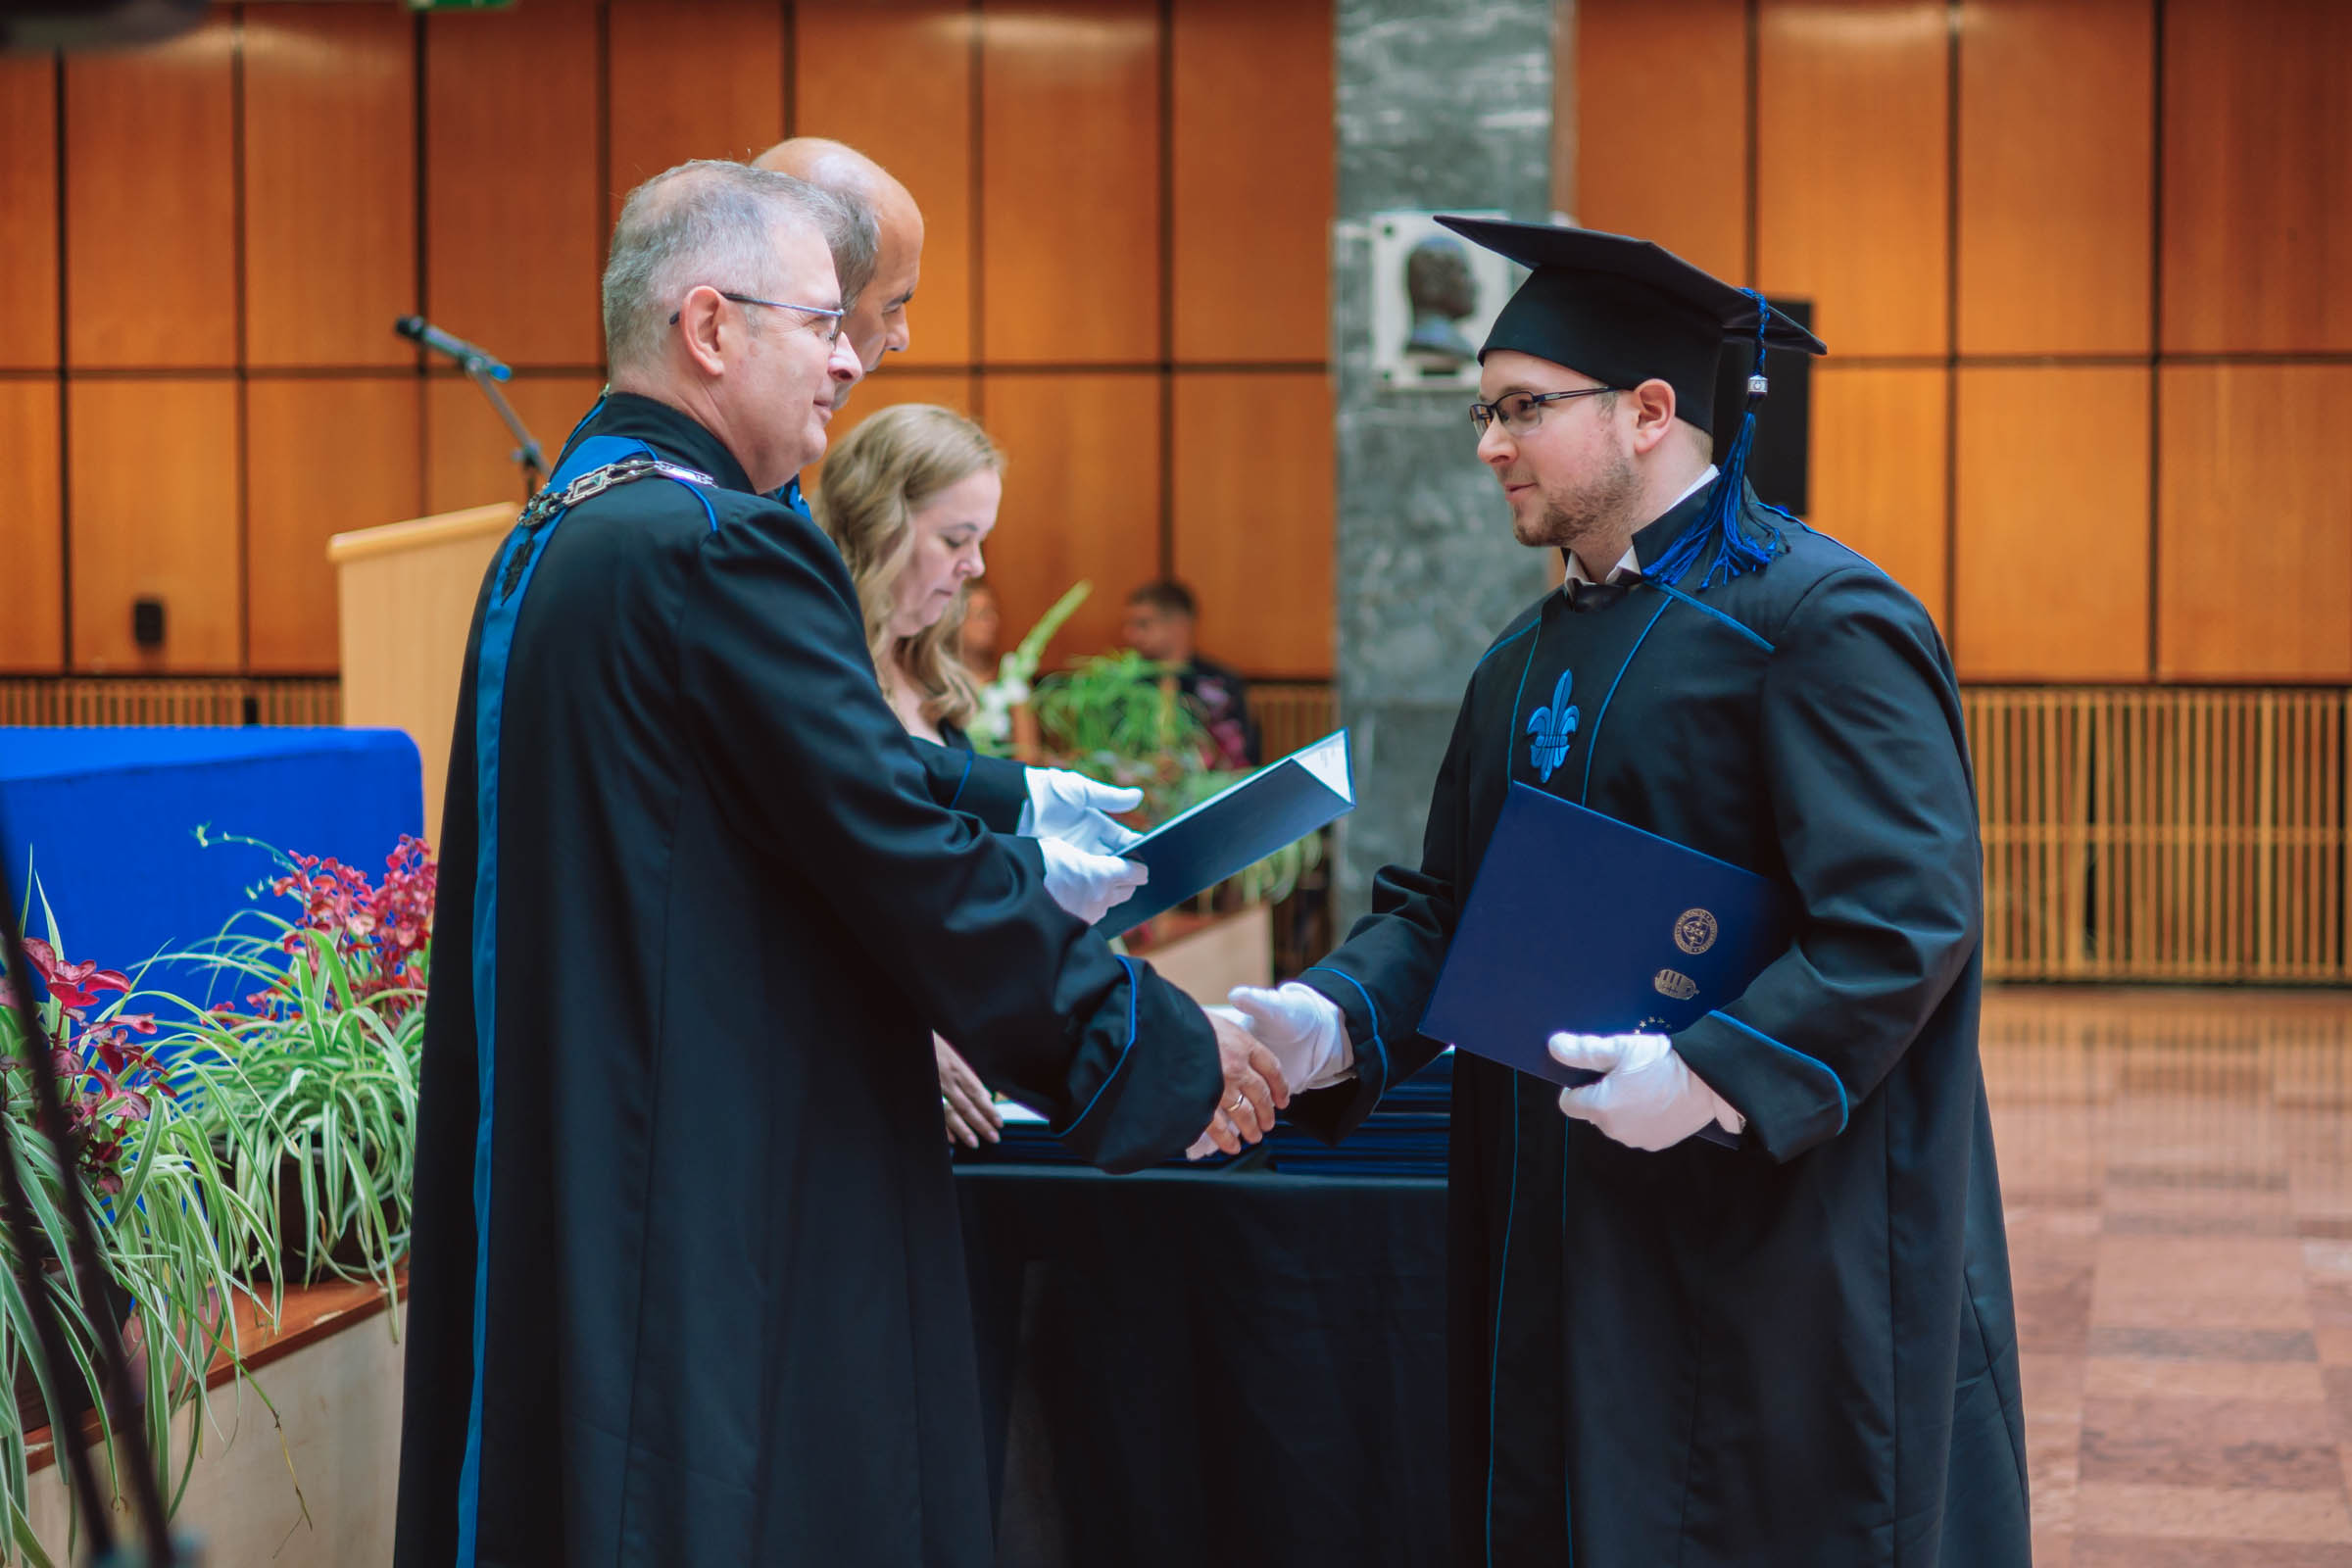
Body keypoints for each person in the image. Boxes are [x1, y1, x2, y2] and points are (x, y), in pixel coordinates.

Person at [394, 161, 1289, 1568]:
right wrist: (1148, 1045)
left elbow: (767, 792)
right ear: (709, 327)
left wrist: (1008, 796)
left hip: (597, 1135)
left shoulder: (567, 532)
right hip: (719, 1179)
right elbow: (896, 859)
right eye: (824, 323)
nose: (852, 359)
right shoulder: (718, 546)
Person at [1221, 220, 2029, 1564]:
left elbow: (1902, 920)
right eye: (1486, 411)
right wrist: (1333, 1017)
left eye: (1523, 408)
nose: (1490, 444)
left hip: (1772, 1230)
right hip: (1565, 1221)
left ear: (1650, 412)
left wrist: (1712, 1072)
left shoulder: (1818, 621)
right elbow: (1444, 910)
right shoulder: (1520, 660)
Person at [811, 402, 1025, 1149]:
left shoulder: (929, 672)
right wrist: (904, 1030)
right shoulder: (822, 674)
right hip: (859, 1076)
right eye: (956, 540)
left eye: (981, 541)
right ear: (881, 527)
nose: (976, 567)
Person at [1121, 578, 1260, 768]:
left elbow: (1242, 754)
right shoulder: (1126, 684)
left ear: (1180, 624)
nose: (1130, 634)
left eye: (1143, 624)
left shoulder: (1219, 683)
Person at [957, 577, 1003, 678]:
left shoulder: (1009, 675)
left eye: (993, 612)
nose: (993, 620)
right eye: (982, 614)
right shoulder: (943, 681)